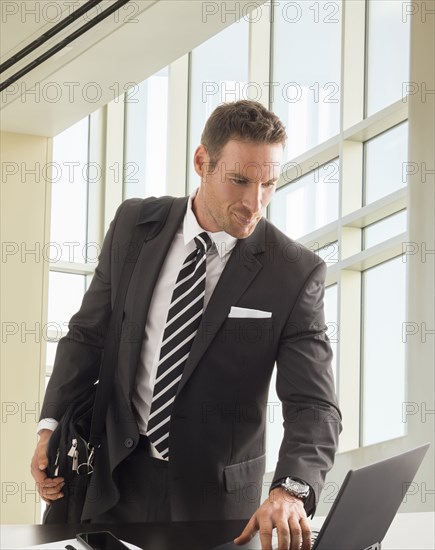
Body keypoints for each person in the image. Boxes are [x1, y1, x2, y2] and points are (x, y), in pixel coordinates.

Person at [31, 100, 341, 550]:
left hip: (214, 509)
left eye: (269, 184)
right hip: (109, 477)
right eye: (239, 181)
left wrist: (291, 490)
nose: (254, 203)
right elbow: (87, 336)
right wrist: (49, 427)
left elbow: (314, 404)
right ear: (202, 162)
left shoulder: (293, 272)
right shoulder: (135, 226)